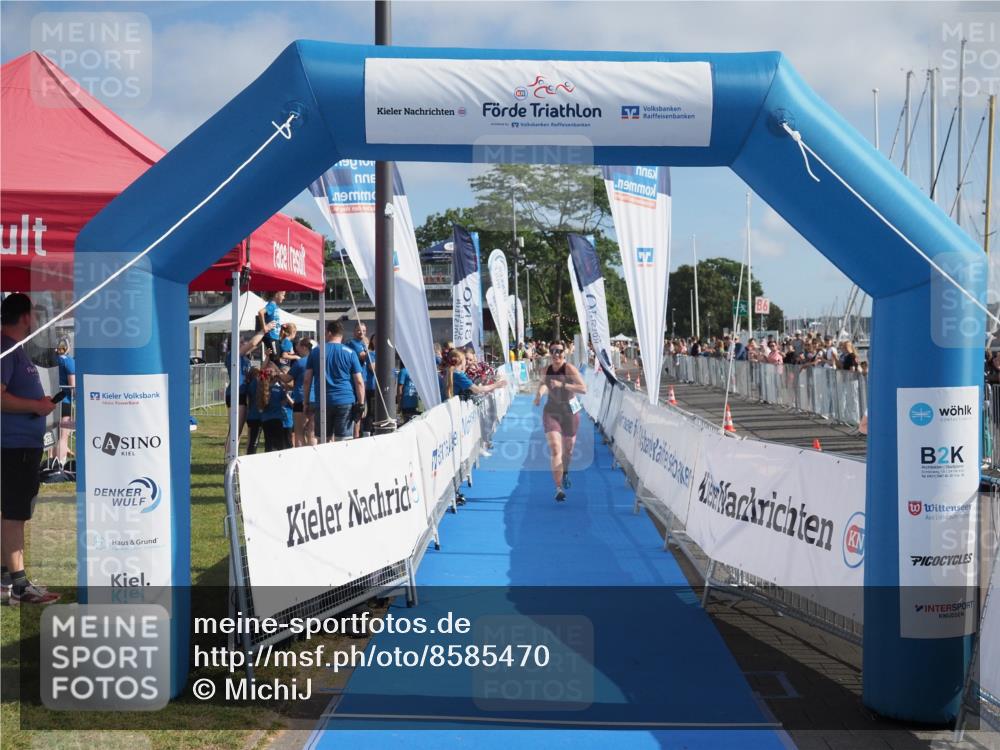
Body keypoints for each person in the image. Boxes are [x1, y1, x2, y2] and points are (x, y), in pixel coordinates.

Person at [1, 293, 60, 605]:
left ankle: (4, 579)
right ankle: (20, 586)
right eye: (34, 315)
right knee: (14, 513)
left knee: (11, 511)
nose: (36, 321)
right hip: (14, 446)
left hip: (20, 446)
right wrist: (37, 406)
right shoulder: (5, 348)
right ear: (25, 317)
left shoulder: (13, 350)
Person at [533, 341, 587, 502]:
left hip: (570, 412)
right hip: (551, 411)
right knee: (556, 449)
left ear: (565, 353)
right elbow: (544, 384)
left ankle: (565, 471)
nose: (557, 354)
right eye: (553, 351)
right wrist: (539, 395)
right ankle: (558, 488)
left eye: (560, 351)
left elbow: (583, 389)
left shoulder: (569, 369)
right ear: (549, 353)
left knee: (568, 451)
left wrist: (562, 384)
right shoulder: (547, 369)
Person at [303, 320, 365, 442]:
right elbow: (359, 382)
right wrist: (361, 404)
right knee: (343, 441)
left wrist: (306, 402)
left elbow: (307, 380)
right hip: (345, 400)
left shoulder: (316, 352)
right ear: (341, 335)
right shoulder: (350, 352)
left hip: (323, 401)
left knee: (323, 440)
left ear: (329, 333)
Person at [225, 322, 276, 461]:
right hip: (236, 394)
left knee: (238, 431)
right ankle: (229, 460)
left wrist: (266, 357)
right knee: (235, 431)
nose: (244, 343)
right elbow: (253, 343)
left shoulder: (244, 358)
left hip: (243, 393)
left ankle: (231, 459)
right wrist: (263, 330)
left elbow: (257, 371)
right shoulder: (233, 355)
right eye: (241, 341)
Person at [257, 358, 292, 452]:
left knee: (268, 442)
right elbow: (283, 402)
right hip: (277, 419)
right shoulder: (279, 389)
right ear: (276, 377)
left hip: (265, 420)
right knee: (279, 444)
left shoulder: (262, 388)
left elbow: (260, 374)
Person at [290, 337, 315, 447]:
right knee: (312, 433)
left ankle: (301, 459)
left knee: (299, 433)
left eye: (298, 346)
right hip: (315, 399)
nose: (297, 348)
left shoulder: (300, 363)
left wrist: (277, 374)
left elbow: (287, 378)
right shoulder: (317, 360)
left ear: (304, 347)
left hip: (301, 399)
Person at [54, 340, 75, 468]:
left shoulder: (51, 360)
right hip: (65, 400)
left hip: (50, 400)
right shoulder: (68, 361)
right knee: (63, 436)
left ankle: (51, 463)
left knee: (52, 434)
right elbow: (72, 386)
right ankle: (60, 465)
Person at [257, 291, 286, 358]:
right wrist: (264, 327)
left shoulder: (275, 306)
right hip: (271, 336)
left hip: (275, 337)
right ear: (276, 295)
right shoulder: (272, 305)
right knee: (275, 359)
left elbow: (273, 319)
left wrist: (281, 326)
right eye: (282, 295)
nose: (284, 297)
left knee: (277, 357)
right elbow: (261, 312)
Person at [396, 358, 419, 423]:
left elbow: (400, 388)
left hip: (406, 403)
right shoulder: (415, 372)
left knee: (406, 423)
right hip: (414, 402)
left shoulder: (403, 371)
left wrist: (399, 404)